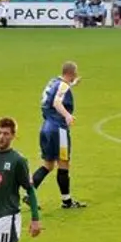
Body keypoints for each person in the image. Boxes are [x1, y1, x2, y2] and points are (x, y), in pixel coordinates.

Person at [27, 62, 86, 209]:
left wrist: (73, 84)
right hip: (58, 129)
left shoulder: (53, 82)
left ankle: (30, 195)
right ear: (71, 74)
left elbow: (55, 93)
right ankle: (66, 201)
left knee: (48, 165)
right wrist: (67, 115)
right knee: (63, 163)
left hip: (46, 127)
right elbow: (57, 102)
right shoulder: (64, 86)